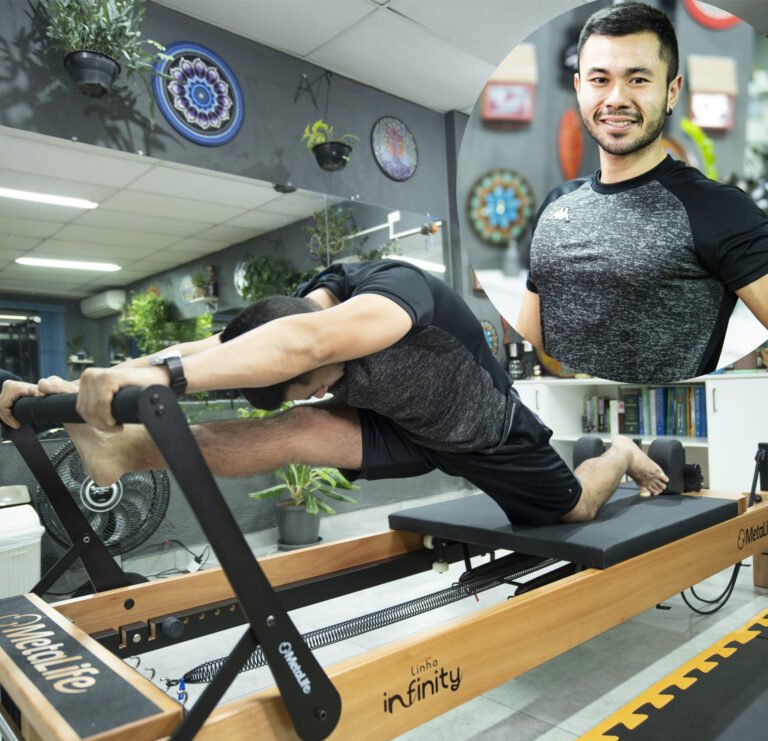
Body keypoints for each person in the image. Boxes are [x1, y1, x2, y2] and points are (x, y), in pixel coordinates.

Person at [0, 261, 668, 525]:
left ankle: (619, 450)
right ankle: (118, 455)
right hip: (401, 425)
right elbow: (224, 351)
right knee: (296, 432)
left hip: (485, 434)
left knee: (575, 507)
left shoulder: (388, 292)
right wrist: (112, 376)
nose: (303, 393)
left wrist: (161, 379)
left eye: (299, 389)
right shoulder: (301, 303)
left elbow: (312, 345)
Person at [516, 2, 768, 385]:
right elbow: (530, 334)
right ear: (579, 88)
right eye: (600, 79)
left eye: (637, 80)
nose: (616, 98)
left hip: (668, 429)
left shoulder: (719, 209)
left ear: (671, 91)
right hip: (562, 421)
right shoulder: (556, 205)